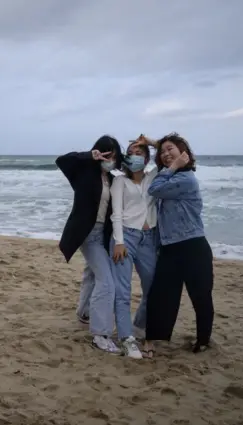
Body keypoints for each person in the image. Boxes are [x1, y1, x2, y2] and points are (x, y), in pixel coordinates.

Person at [142, 132, 214, 357]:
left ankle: (203, 340)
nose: (165, 155)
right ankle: (151, 339)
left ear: (183, 152)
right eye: (162, 152)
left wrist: (172, 165)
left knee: (200, 296)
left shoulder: (186, 179)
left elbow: (153, 189)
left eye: (170, 150)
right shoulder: (172, 176)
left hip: (193, 246)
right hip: (170, 247)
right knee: (160, 295)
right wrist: (156, 145)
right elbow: (161, 175)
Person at [56, 135, 123, 353]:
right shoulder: (83, 171)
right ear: (99, 152)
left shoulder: (113, 179)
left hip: (102, 235)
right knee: (107, 281)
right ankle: (100, 334)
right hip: (86, 235)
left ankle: (84, 312)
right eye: (106, 154)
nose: (109, 159)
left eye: (113, 156)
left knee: (92, 274)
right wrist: (88, 156)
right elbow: (62, 161)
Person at [109, 136, 159, 359]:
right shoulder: (120, 181)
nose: (135, 155)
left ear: (147, 158)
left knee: (153, 288)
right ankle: (127, 338)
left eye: (140, 152)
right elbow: (116, 213)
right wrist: (119, 241)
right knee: (123, 291)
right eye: (131, 152)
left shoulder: (153, 177)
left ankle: (139, 326)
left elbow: (169, 157)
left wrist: (149, 141)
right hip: (125, 238)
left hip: (148, 238)